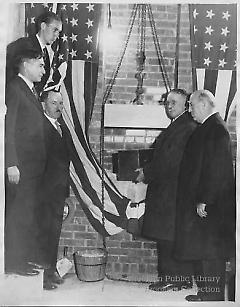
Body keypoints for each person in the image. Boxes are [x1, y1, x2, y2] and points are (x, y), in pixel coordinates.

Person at [174, 89, 236, 301]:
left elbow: (216, 170)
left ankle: (212, 296)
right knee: (204, 249)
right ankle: (207, 293)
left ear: (203, 104)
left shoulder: (216, 129)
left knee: (211, 253)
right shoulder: (210, 127)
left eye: (191, 105)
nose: (190, 111)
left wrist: (204, 200)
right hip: (206, 201)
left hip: (212, 204)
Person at [135, 89, 197, 291]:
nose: (169, 106)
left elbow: (169, 161)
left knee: (167, 236)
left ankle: (172, 278)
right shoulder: (180, 125)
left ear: (186, 105)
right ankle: (182, 279)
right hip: (171, 192)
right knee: (171, 235)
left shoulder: (184, 127)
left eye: (174, 103)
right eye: (167, 102)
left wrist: (146, 173)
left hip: (170, 193)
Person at [5, 49, 46, 276]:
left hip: (32, 168)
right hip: (21, 167)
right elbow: (8, 129)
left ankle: (23, 258)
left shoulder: (29, 90)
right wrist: (11, 163)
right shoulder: (15, 88)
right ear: (25, 64)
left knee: (28, 213)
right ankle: (14, 262)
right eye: (39, 65)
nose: (43, 70)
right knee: (19, 214)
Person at [38, 90, 72, 290]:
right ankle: (42, 277)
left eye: (60, 103)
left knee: (54, 233)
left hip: (58, 192)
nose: (58, 107)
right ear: (44, 105)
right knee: (43, 234)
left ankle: (50, 272)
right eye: (53, 103)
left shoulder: (61, 128)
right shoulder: (40, 126)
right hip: (44, 193)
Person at [6, 11, 62, 94]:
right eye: (55, 30)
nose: (56, 35)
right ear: (43, 26)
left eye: (59, 32)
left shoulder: (45, 51)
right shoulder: (24, 45)